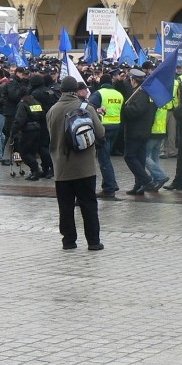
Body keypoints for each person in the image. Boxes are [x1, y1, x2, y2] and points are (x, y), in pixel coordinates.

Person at [45, 75, 106, 250]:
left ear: (61, 90)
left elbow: (52, 135)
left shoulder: (52, 110)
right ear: (76, 90)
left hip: (61, 166)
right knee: (88, 204)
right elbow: (100, 133)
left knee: (65, 206)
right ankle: (93, 242)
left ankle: (69, 241)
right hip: (85, 167)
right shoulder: (87, 107)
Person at [121, 69, 158, 195]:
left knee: (129, 156)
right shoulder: (144, 93)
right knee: (140, 158)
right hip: (143, 130)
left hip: (136, 131)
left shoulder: (141, 94)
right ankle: (139, 185)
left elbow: (136, 111)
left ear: (133, 80)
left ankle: (146, 181)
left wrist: (124, 110)